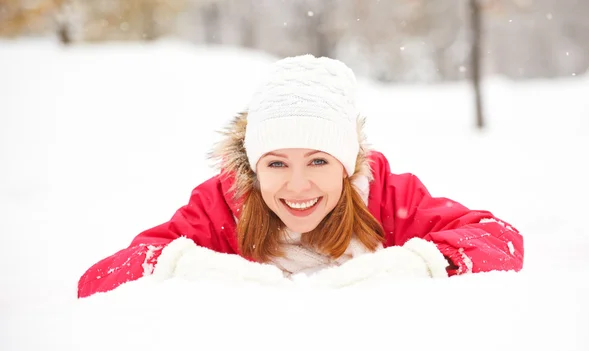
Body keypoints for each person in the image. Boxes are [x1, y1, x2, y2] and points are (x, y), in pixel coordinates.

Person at [77, 55, 524, 298]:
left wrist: (414, 266)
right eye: (276, 163)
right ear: (252, 168)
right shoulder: (221, 205)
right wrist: (194, 270)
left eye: (318, 161)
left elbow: (499, 240)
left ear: (347, 166)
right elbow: (99, 280)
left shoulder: (385, 195)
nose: (296, 186)